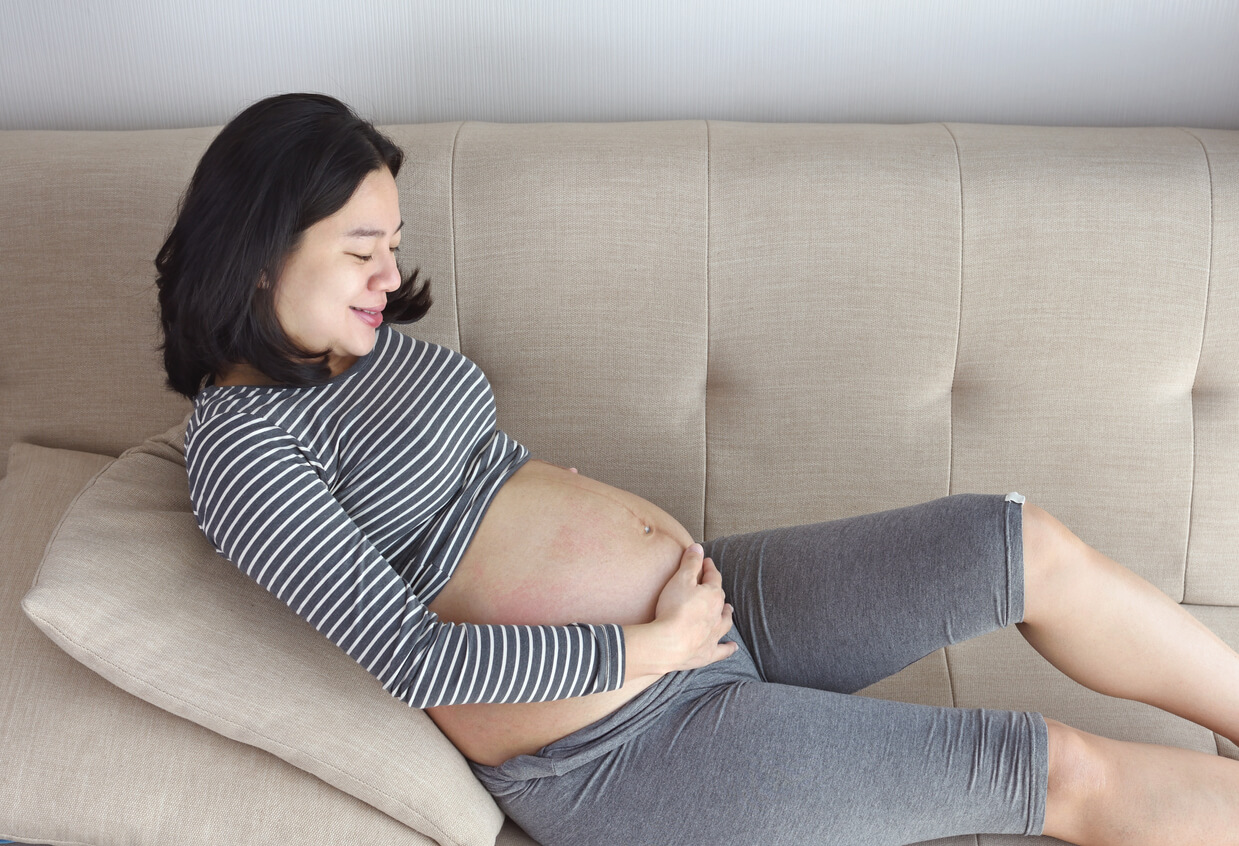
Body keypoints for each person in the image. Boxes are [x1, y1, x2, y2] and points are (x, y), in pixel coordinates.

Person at [156, 92, 1239, 846]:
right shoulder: (243, 450)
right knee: (1046, 769)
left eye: (393, 241)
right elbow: (416, 660)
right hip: (626, 744)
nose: (390, 275)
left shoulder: (365, 348)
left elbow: (469, 478)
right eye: (360, 249)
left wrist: (555, 498)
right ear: (258, 253)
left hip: (712, 607)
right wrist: (649, 644)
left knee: (1020, 544)